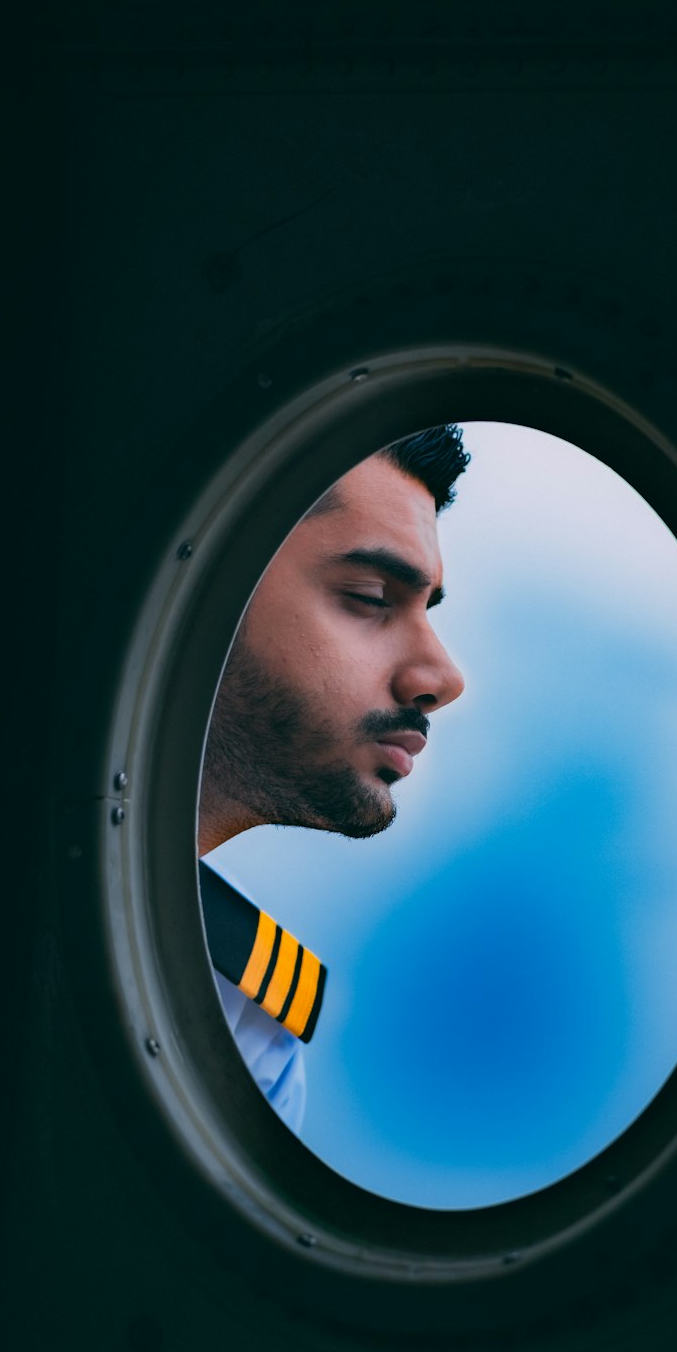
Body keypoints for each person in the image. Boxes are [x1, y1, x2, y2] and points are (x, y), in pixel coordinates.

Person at [197, 424, 469, 1132]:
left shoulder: (250, 1033)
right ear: (199, 580)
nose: (443, 678)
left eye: (427, 608)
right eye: (373, 596)